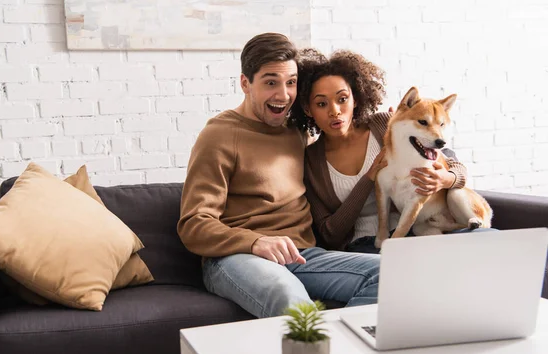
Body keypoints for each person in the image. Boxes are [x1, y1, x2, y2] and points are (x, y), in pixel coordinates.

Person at [177, 33, 381, 319]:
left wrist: (396, 127)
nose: (283, 95)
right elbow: (193, 225)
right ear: (245, 83)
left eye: (291, 82)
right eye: (271, 82)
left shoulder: (295, 131)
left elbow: (340, 131)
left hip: (301, 255)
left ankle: (342, 351)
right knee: (289, 297)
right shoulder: (219, 136)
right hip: (237, 258)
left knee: (389, 275)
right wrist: (255, 241)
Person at [287, 48, 468, 254]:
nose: (335, 111)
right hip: (366, 246)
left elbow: (451, 162)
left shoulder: (383, 125)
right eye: (321, 103)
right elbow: (329, 233)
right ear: (308, 109)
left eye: (343, 99)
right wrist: (369, 177)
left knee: (487, 241)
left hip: (417, 233)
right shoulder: (311, 160)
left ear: (355, 98)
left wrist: (447, 179)